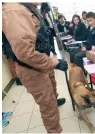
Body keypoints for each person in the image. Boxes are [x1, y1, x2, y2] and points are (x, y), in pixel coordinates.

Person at [2, 3, 68, 133]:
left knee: (52, 88)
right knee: (48, 105)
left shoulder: (27, 6)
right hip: (31, 68)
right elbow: (25, 53)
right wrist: (55, 63)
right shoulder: (14, 10)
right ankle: (54, 131)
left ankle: (54, 101)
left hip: (41, 61)